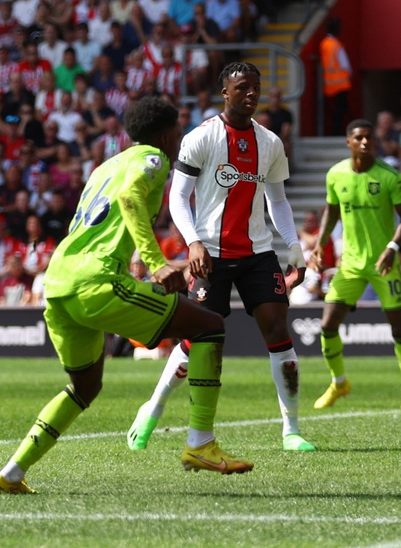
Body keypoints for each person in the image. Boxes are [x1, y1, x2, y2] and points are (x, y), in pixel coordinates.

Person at [0, 98, 251, 495]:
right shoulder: (154, 159)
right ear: (165, 135)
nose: (180, 138)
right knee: (209, 326)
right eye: (178, 131)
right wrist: (157, 262)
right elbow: (129, 198)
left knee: (84, 388)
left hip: (58, 283)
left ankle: (10, 474)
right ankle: (200, 444)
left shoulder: (103, 167)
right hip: (97, 280)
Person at [127, 63, 314, 454]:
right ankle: (153, 408)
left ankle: (292, 430)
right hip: (209, 254)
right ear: (224, 93)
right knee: (197, 339)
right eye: (242, 87)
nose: (251, 93)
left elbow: (277, 200)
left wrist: (293, 246)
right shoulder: (202, 137)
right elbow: (177, 197)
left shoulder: (271, 144)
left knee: (278, 332)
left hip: (258, 252)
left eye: (256, 87)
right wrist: (193, 242)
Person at [310, 119, 401, 410]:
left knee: (398, 328)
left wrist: (393, 247)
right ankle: (339, 382)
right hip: (351, 264)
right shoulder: (336, 175)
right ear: (349, 142)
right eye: (359, 137)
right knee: (327, 325)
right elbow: (331, 213)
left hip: (384, 262)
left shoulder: (390, 176)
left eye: (370, 137)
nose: (365, 142)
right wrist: (320, 243)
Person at [320, 18, 351, 136]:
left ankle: (336, 130)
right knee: (341, 110)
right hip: (341, 83)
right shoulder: (337, 45)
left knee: (335, 110)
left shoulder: (324, 44)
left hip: (328, 84)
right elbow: (345, 64)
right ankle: (338, 131)